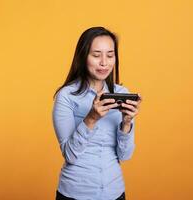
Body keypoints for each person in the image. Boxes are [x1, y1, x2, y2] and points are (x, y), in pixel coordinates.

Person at [52, 26, 142, 200]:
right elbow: (70, 155)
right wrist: (91, 118)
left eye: (110, 55)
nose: (104, 62)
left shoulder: (122, 93)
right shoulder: (66, 96)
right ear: (83, 57)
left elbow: (125, 155)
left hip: (114, 192)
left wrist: (127, 123)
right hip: (75, 193)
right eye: (96, 55)